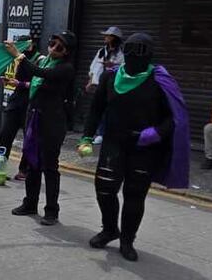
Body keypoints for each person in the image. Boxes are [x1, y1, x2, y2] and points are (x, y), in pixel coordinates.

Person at [78, 32, 189, 261]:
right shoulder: (110, 78)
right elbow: (96, 110)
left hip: (143, 146)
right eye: (130, 50)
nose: (133, 56)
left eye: (140, 51)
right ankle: (110, 229)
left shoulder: (160, 80)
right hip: (113, 142)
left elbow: (175, 117)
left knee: (134, 194)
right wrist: (86, 137)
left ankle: (128, 240)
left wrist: (157, 132)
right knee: (104, 189)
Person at [7, 31, 77, 225]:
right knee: (32, 163)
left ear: (66, 52)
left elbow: (40, 74)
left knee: (49, 166)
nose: (53, 48)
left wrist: (18, 55)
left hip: (52, 123)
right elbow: (31, 76)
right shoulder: (44, 61)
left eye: (59, 47)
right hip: (35, 118)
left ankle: (51, 211)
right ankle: (30, 203)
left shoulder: (66, 68)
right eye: (52, 43)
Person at [0, 36, 38, 181]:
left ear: (31, 44)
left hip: (31, 102)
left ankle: (24, 170)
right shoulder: (16, 59)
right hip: (16, 100)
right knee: (5, 133)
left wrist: (20, 84)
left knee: (29, 138)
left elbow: (37, 82)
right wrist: (8, 81)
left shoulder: (40, 59)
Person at [86, 26, 124, 145]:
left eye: (108, 36)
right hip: (97, 84)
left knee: (107, 110)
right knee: (95, 109)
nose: (105, 37)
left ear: (113, 38)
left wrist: (111, 65)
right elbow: (93, 67)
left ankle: (102, 133)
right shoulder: (102, 51)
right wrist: (90, 81)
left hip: (111, 85)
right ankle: (94, 133)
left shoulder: (120, 53)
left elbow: (122, 69)